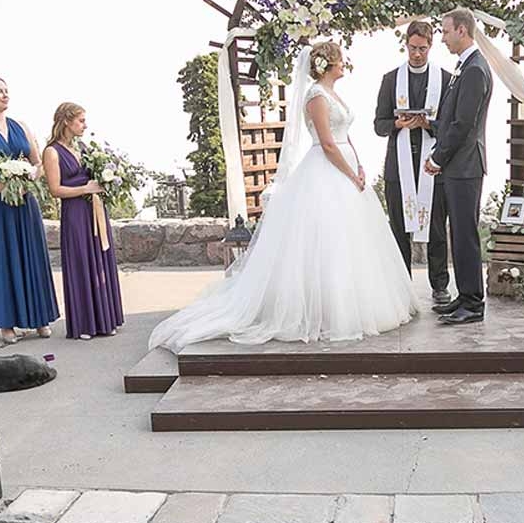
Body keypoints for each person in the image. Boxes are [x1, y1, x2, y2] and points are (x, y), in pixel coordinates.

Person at [149, 40, 415, 350]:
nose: (344, 65)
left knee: (351, 241)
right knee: (327, 244)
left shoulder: (332, 93)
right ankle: (327, 311)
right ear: (326, 65)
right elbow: (327, 144)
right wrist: (350, 173)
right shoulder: (316, 96)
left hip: (348, 169)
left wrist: (359, 166)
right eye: (340, 60)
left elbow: (345, 136)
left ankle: (349, 301)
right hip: (328, 170)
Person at [0, 75, 58, 343]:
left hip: (25, 200)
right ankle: (7, 323)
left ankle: (40, 317)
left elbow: (37, 161)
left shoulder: (21, 126)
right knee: (2, 256)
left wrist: (30, 179)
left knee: (31, 253)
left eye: (6, 91)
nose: (5, 95)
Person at [375, 19, 454, 303]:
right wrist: (397, 123)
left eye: (422, 48)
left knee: (435, 227)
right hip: (399, 165)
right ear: (405, 45)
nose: (417, 54)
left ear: (430, 46)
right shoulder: (390, 79)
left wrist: (427, 123)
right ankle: (400, 285)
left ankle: (439, 285)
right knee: (399, 228)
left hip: (433, 163)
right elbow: (379, 125)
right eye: (412, 48)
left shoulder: (445, 79)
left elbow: (450, 124)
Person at [425, 8, 495, 325]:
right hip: (459, 166)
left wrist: (438, 157)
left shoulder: (476, 69)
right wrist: (429, 123)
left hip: (465, 165)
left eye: (445, 31)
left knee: (466, 234)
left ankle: (474, 303)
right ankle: (464, 296)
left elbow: (464, 124)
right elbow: (453, 119)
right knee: (459, 233)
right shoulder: (465, 66)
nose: (442, 37)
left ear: (462, 31)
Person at [44, 103, 124, 339]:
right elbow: (55, 190)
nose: (85, 125)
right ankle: (85, 323)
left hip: (95, 210)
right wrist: (84, 188)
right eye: (80, 120)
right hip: (75, 213)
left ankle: (106, 319)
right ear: (66, 121)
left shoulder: (84, 147)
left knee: (100, 260)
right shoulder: (52, 152)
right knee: (81, 262)